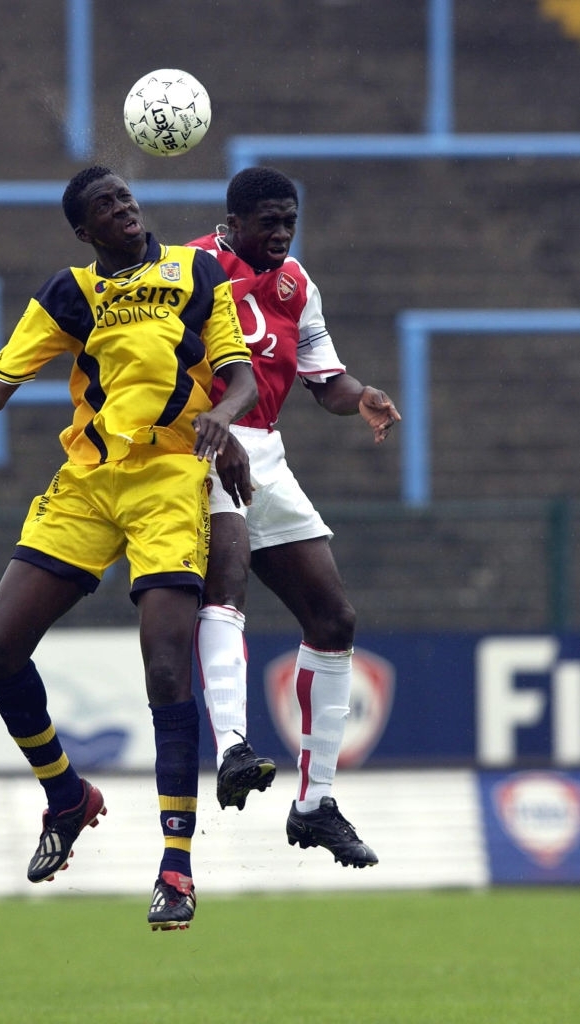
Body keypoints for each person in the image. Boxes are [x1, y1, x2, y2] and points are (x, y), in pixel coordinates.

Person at [0, 165, 257, 929]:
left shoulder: (194, 271)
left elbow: (239, 377)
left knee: (164, 662)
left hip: (167, 479)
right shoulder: (70, 293)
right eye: (105, 205)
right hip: (89, 483)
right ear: (84, 231)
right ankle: (66, 794)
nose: (122, 207)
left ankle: (176, 869)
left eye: (125, 196)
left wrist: (222, 417)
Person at [186, 166, 400, 868]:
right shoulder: (189, 269)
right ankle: (233, 750)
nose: (279, 234)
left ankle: (314, 806)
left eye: (289, 222)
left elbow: (323, 381)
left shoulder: (297, 284)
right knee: (227, 585)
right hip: (202, 443)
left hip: (266, 451)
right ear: (234, 221)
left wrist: (361, 394)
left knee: (333, 619)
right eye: (267, 222)